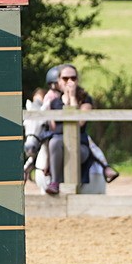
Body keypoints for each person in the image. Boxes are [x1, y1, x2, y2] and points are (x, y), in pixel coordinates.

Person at [43, 63, 94, 196]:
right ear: (59, 81)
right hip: (58, 146)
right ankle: (53, 182)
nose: (69, 81)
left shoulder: (85, 99)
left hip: (79, 146)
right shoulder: (54, 103)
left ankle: (105, 168)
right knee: (54, 141)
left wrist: (72, 98)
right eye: (65, 79)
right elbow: (53, 128)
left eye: (73, 78)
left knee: (58, 142)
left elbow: (80, 123)